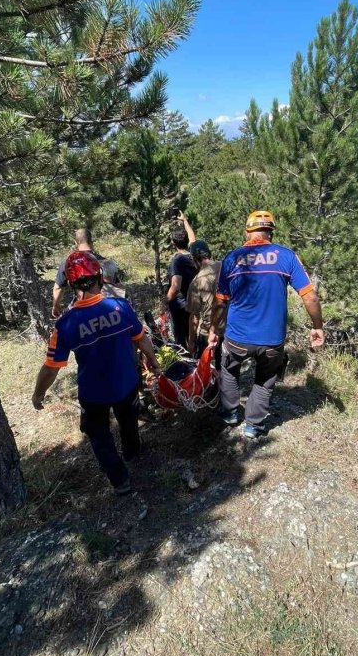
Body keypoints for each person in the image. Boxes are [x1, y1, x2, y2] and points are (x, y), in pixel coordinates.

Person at [33, 251, 161, 495]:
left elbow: (51, 367)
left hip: (93, 391)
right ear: (100, 278)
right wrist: (153, 361)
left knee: (98, 434)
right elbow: (141, 339)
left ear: (71, 284)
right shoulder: (120, 307)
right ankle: (132, 451)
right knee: (128, 419)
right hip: (126, 381)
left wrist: (38, 394)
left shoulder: (66, 324)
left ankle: (120, 480)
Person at [208, 210, 324, 439]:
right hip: (272, 339)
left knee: (229, 370)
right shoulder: (287, 256)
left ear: (247, 232)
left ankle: (230, 413)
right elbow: (310, 297)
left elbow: (220, 302)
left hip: (237, 337)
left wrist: (213, 329)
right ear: (271, 232)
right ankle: (253, 425)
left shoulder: (231, 259)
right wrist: (317, 326)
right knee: (265, 379)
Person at [51, 227, 115, 318]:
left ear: (76, 243)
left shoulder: (68, 262)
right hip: (107, 307)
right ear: (91, 243)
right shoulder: (105, 262)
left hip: (81, 307)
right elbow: (117, 287)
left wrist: (56, 305)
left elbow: (58, 288)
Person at [166, 210, 197, 349]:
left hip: (180, 305)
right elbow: (193, 238)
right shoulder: (193, 255)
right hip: (194, 302)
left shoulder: (177, 260)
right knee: (192, 334)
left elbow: (176, 286)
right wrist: (185, 221)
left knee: (180, 337)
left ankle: (184, 358)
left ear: (173, 243)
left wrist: (166, 300)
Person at [186, 239, 221, 358]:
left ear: (194, 259)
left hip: (207, 333)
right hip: (229, 332)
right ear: (209, 254)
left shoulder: (196, 282)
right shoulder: (225, 268)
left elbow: (194, 317)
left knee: (203, 366)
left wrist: (191, 342)